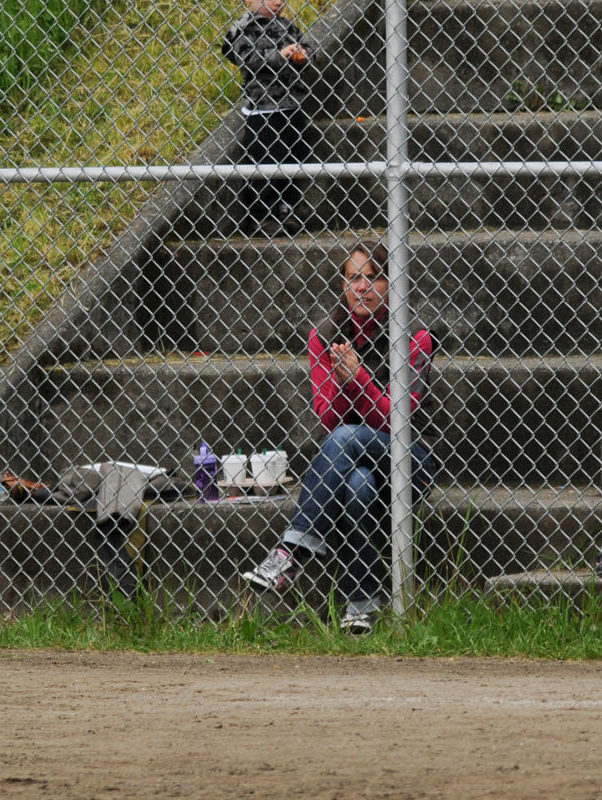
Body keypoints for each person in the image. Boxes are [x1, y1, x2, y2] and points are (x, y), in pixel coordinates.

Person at [240, 242, 439, 634]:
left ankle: (291, 550)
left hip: (410, 459)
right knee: (357, 484)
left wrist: (359, 379)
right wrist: (344, 382)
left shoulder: (415, 337)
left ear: (392, 284)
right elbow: (328, 420)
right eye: (353, 278)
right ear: (343, 284)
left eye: (373, 277)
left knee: (349, 437)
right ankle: (361, 605)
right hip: (350, 463)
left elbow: (397, 422)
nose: (362, 287)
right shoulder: (325, 337)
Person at [222, 0, 313, 233]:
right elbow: (244, 57)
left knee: (294, 156)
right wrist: (278, 55)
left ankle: (286, 208)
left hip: (291, 104)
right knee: (267, 159)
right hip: (263, 108)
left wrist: (302, 54)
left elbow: (307, 48)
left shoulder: (287, 26)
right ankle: (263, 215)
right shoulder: (244, 28)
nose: (278, 2)